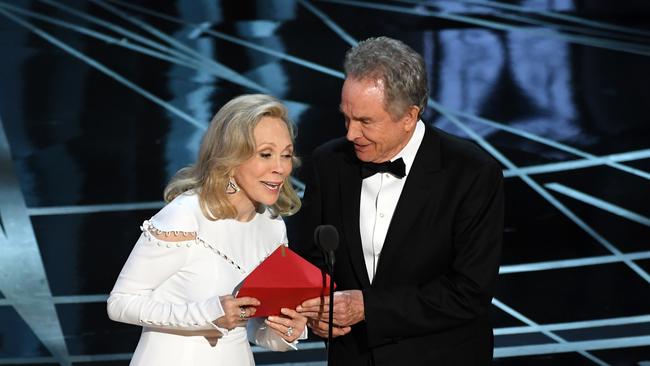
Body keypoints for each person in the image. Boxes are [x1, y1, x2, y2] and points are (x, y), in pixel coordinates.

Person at [292, 37, 504, 365]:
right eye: (346, 117)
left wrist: (367, 307)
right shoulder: (329, 162)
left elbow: (469, 291)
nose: (350, 134)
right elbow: (311, 255)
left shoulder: (471, 173)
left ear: (409, 116)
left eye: (365, 121)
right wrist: (320, 310)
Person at [107, 94, 308, 366]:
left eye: (286, 155)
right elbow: (120, 303)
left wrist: (281, 332)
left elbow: (250, 325)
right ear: (231, 157)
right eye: (265, 154)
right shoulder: (185, 216)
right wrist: (208, 314)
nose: (280, 168)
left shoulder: (272, 226)